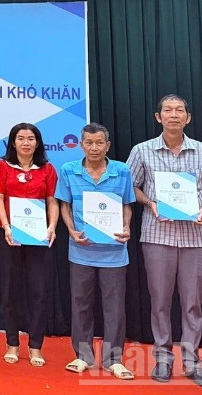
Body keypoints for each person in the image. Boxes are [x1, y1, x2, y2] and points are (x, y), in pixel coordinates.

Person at [127, 94, 202, 389]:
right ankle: (162, 359)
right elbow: (129, 186)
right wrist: (149, 202)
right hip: (158, 235)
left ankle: (192, 363)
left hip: (196, 238)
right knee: (159, 301)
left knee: (192, 303)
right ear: (158, 117)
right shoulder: (142, 150)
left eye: (179, 110)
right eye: (167, 110)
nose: (174, 115)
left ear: (188, 117)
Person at [55, 123, 135, 379]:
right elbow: (64, 205)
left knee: (115, 308)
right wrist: (70, 230)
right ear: (81, 145)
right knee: (80, 305)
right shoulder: (68, 170)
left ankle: (114, 359)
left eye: (99, 142)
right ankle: (83, 357)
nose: (94, 147)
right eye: (88, 142)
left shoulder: (121, 171)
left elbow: (127, 205)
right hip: (81, 250)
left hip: (114, 252)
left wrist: (126, 226)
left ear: (107, 145)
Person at [0, 122, 59, 367]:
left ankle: (36, 346)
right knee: (9, 290)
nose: (26, 143)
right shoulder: (1, 167)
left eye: (30, 138)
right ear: (13, 142)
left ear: (37, 143)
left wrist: (51, 226)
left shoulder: (47, 169)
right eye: (21, 138)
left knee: (38, 292)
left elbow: (52, 201)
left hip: (39, 236)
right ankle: (12, 343)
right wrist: (6, 225)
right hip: (8, 235)